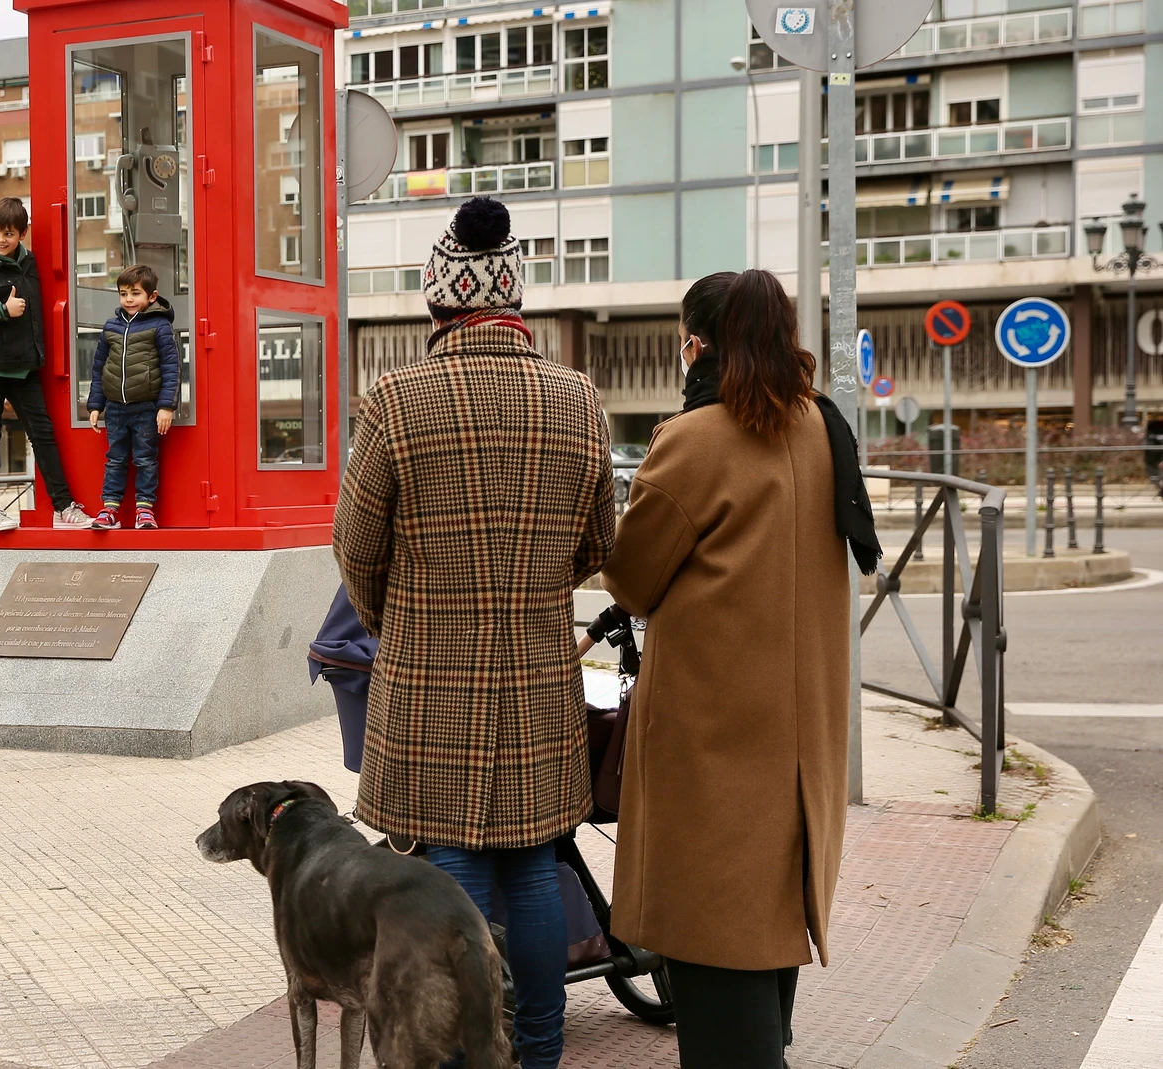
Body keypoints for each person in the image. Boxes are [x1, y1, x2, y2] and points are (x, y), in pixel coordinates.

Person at [332, 197, 617, 1069]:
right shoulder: (577, 399)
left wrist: (403, 621)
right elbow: (600, 544)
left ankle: (458, 1054)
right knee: (534, 865)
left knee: (447, 865)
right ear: (516, 301)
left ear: (436, 303)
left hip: (426, 674)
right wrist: (528, 596)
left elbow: (355, 547)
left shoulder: (394, 399)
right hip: (536, 671)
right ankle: (538, 1049)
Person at [598, 269, 880, 1069]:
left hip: (711, 747)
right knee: (765, 949)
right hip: (798, 747)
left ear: (698, 344)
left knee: (718, 990)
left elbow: (632, 575)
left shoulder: (694, 439)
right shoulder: (823, 428)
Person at [0, 195, 92, 532]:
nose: (1, 239)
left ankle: (63, 507)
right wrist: (2, 311)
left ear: (23, 234)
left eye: (9, 234)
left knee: (43, 434)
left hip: (25, 365)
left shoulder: (29, 265)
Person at [86, 264, 179, 530]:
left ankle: (144, 510)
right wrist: (96, 404)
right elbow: (99, 367)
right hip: (115, 408)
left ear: (151, 296)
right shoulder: (111, 327)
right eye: (123, 293)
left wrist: (166, 407)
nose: (128, 299)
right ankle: (110, 510)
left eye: (135, 293)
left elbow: (172, 368)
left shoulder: (160, 326)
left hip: (146, 408)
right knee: (115, 459)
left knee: (145, 459)